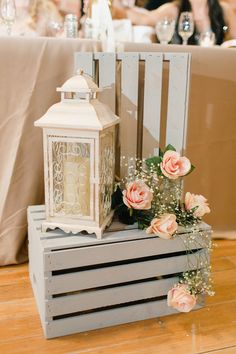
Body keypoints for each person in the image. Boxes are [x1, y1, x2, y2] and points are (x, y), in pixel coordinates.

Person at [112, 0, 236, 44]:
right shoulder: (174, 10)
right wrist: (112, 10)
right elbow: (144, 19)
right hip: (186, 70)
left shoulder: (224, 10)